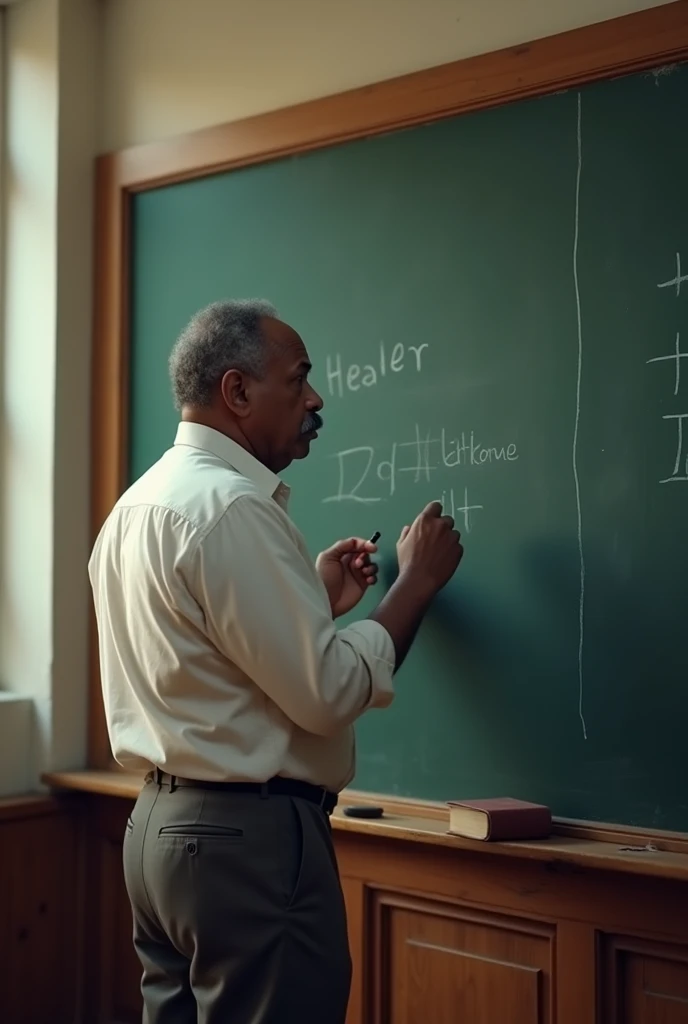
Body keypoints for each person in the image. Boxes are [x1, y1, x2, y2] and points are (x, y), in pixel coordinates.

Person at [88, 299, 463, 1024]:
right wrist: (413, 586)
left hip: (158, 836)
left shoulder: (137, 507)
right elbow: (326, 692)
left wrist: (314, 602)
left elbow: (205, 660)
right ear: (236, 392)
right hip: (245, 848)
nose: (316, 399)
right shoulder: (233, 509)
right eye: (299, 379)